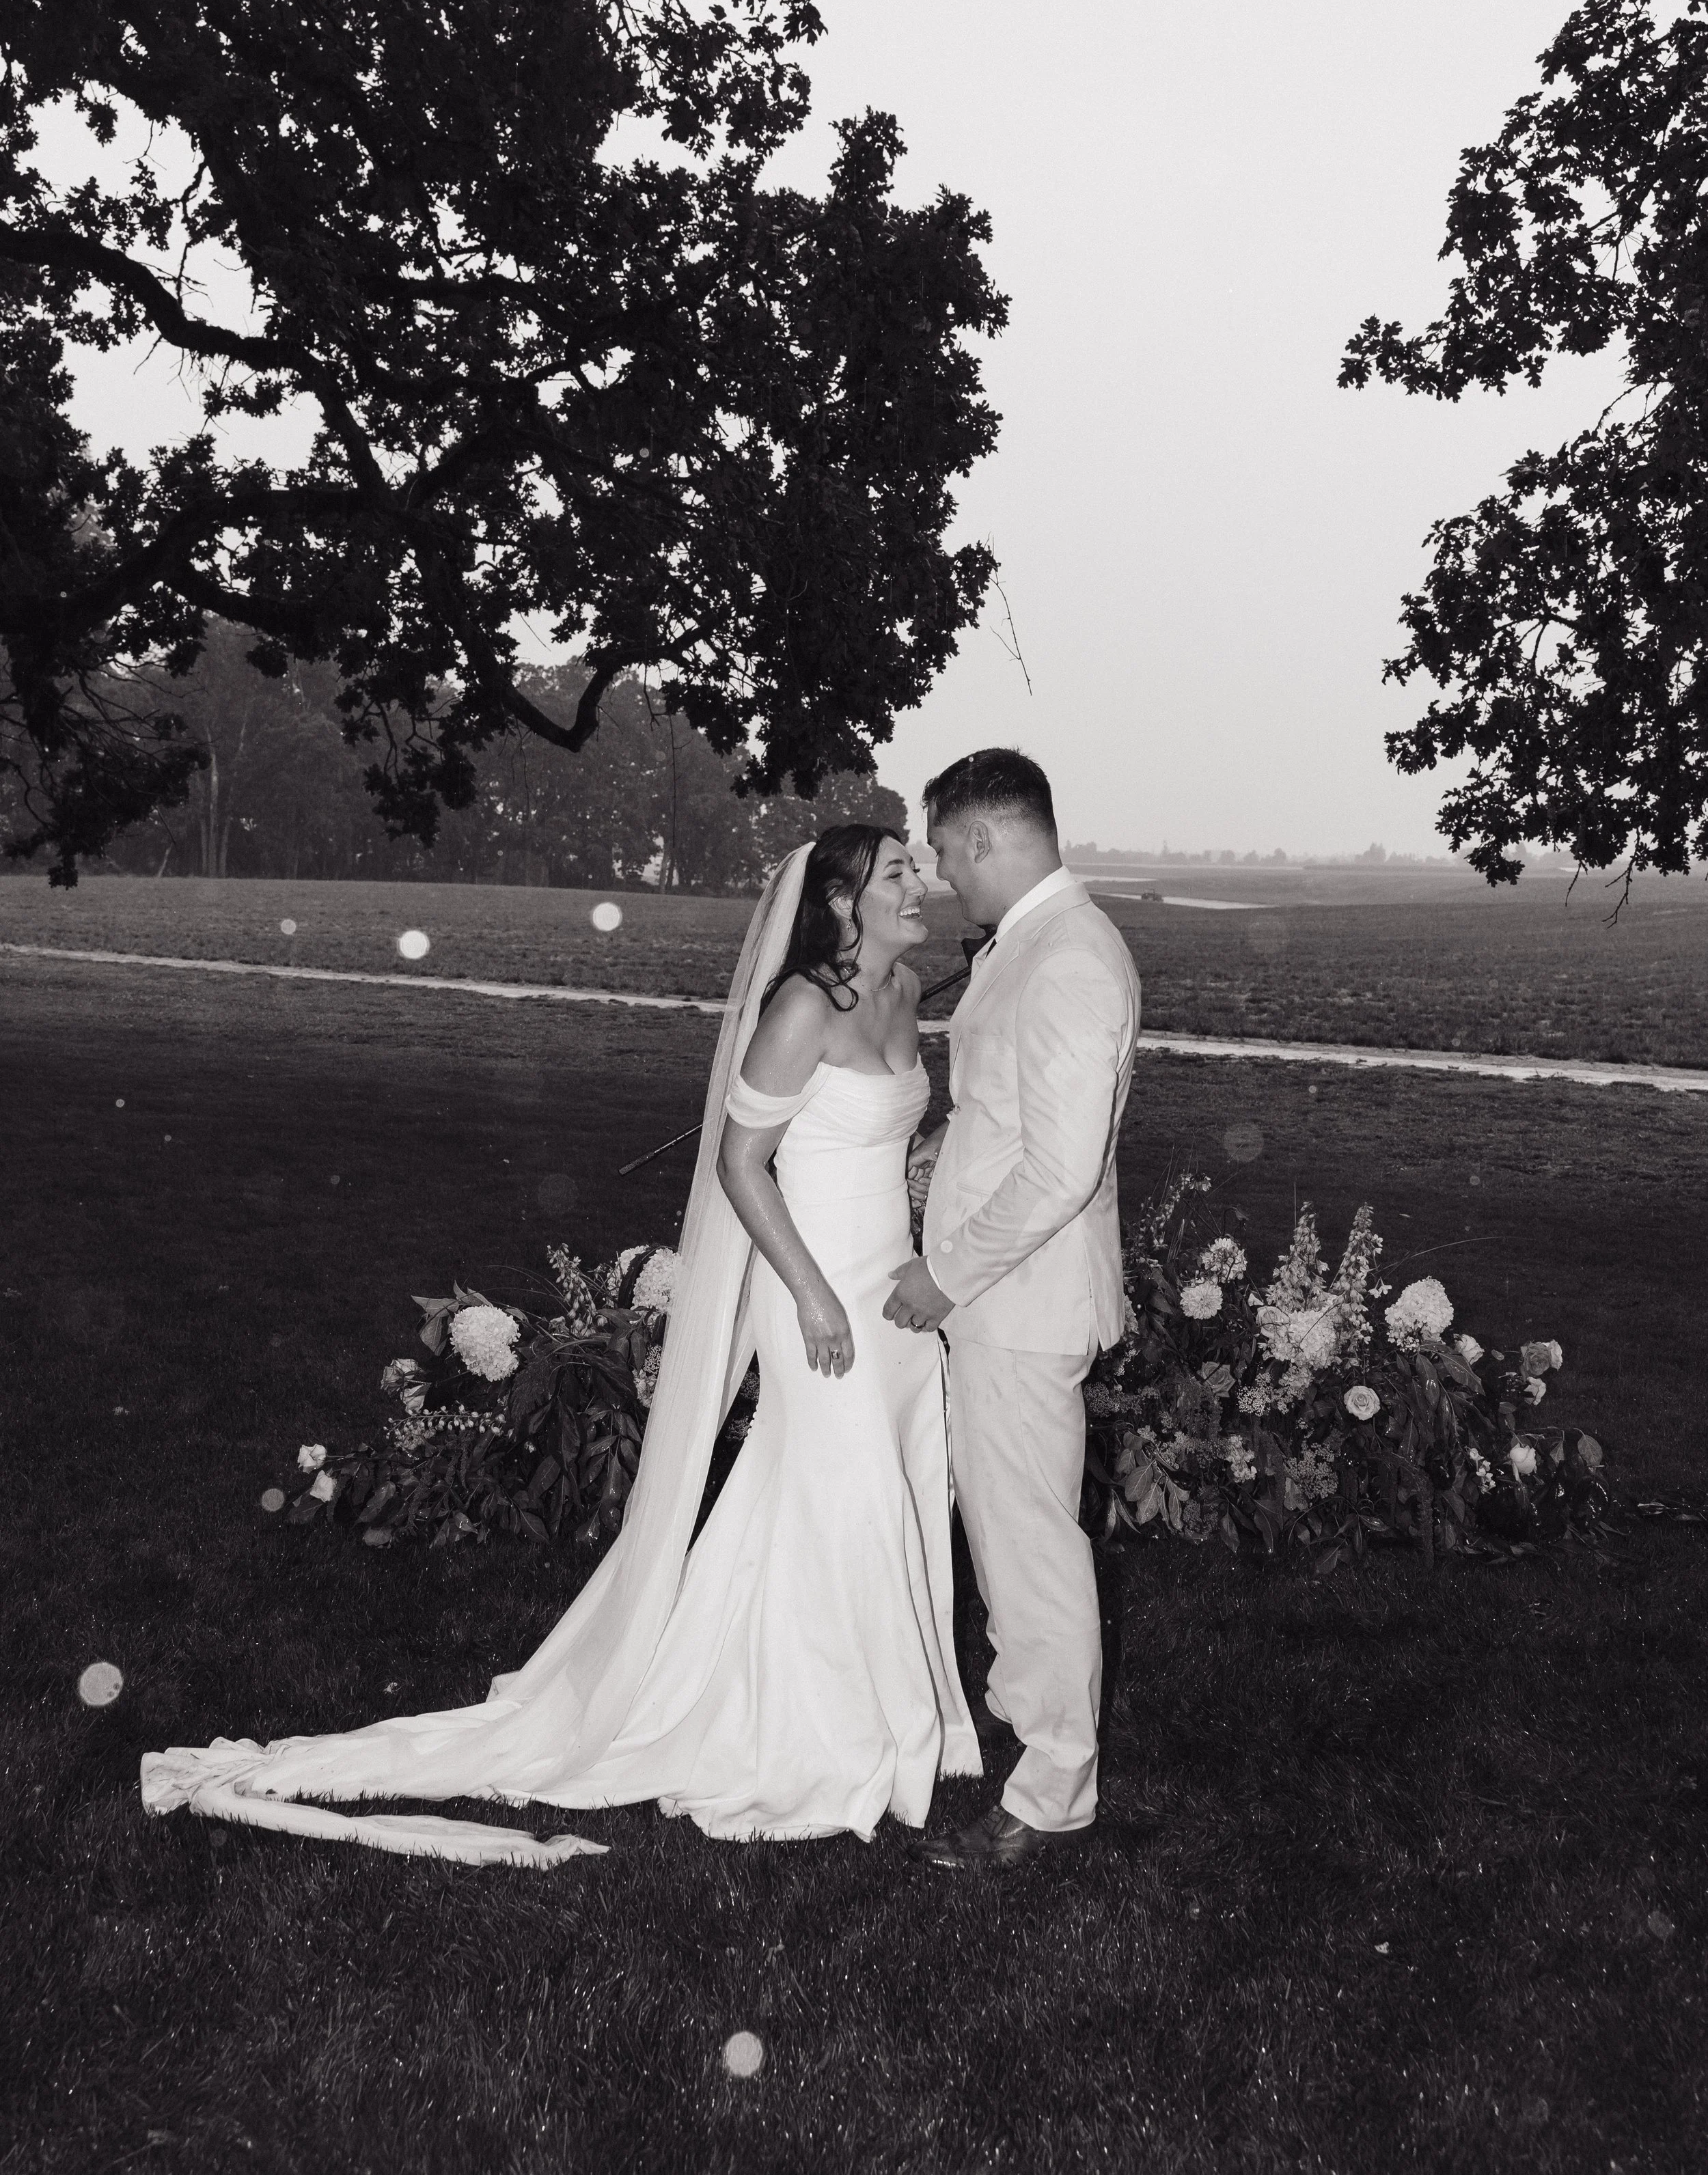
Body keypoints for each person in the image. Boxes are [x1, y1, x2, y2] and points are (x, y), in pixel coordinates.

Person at [141, 827, 977, 1864]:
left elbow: (886, 1133)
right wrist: (809, 1295)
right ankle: (826, 1731)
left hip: (891, 1291)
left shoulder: (902, 996)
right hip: (817, 1294)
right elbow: (741, 1162)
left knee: (873, 1488)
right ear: (844, 902)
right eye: (897, 871)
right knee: (843, 1493)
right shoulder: (804, 1004)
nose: (920, 883)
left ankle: (882, 1705)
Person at [885, 749, 1141, 1872]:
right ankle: (1027, 1731)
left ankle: (1048, 1794)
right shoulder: (1029, 946)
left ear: (986, 835)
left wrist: (946, 1275)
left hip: (1020, 1307)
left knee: (1032, 1551)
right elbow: (1007, 1121)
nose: (941, 875)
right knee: (1007, 1538)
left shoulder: (1071, 956)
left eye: (943, 850)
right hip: (1002, 1303)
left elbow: (1061, 1169)